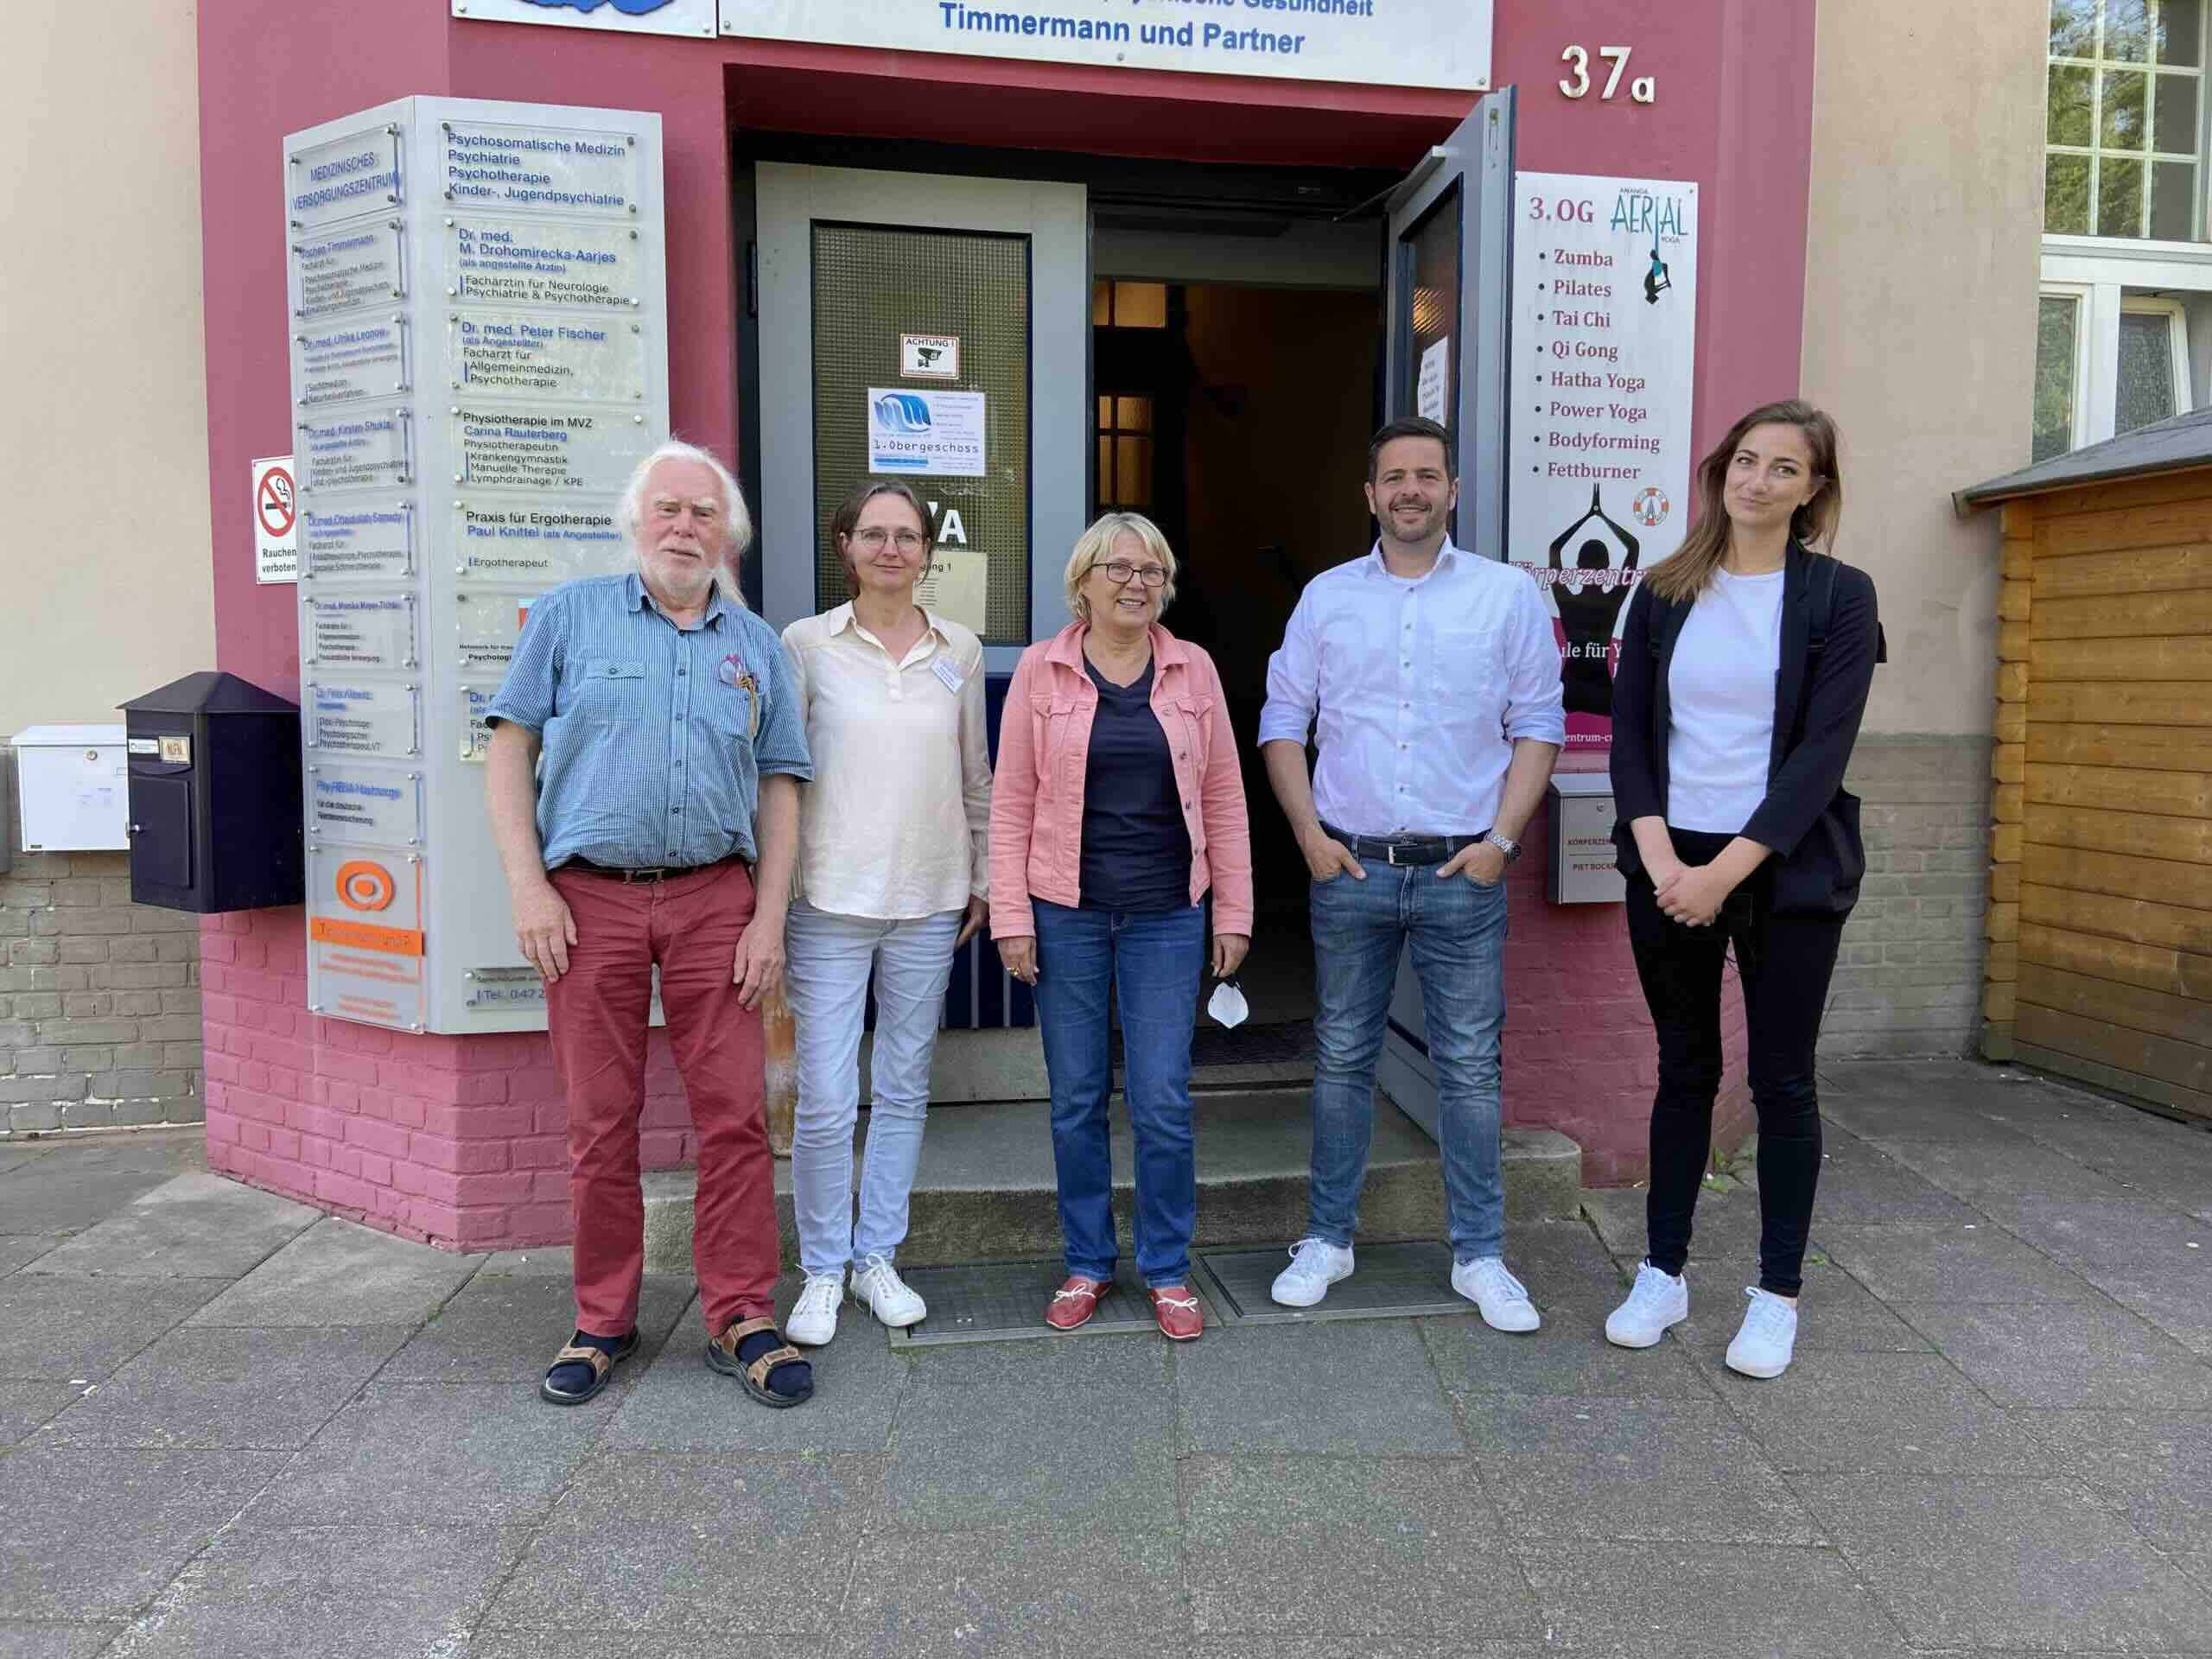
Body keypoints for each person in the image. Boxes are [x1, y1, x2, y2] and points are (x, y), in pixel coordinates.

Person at [486, 438, 816, 1411]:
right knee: (600, 1124)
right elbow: (510, 753)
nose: (684, 526)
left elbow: (780, 787)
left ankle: (741, 1314)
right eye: (668, 508)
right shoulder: (568, 617)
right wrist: (527, 888)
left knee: (735, 1119)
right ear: (636, 520)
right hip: (588, 900)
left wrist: (768, 920)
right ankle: (602, 1318)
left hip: (718, 899)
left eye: (704, 513)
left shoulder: (752, 645)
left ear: (728, 536)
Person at [1258, 415, 1563, 1329]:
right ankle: (1328, 1239)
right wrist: (1309, 837)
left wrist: (1501, 845)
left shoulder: (1506, 596)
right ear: (1370, 494)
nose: (1410, 491)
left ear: (1451, 491)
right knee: (1342, 1057)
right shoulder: (1325, 598)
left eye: (1426, 475)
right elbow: (1283, 719)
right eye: (1394, 477)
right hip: (1348, 865)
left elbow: (1538, 726)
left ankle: (1479, 1255)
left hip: (1460, 873)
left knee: (1469, 1068)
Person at [1603, 399, 1880, 1380]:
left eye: (1783, 469)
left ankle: (1775, 1296)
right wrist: (1662, 858)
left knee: (1782, 1081)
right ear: (1722, 470)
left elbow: (1822, 752)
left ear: (1813, 492)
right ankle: (1662, 1272)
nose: (1756, 481)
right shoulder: (1665, 589)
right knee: (1684, 1072)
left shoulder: (1839, 597)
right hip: (1668, 861)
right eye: (1745, 461)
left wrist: (1725, 870)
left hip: (1783, 868)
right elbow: (1627, 735)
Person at [990, 512, 1252, 1341]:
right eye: (1119, 569)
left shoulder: (1194, 668)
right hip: (1064, 912)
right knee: (1075, 1098)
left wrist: (1234, 911)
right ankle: (1088, 1261)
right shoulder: (1042, 669)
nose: (1136, 583)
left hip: (1167, 915)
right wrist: (1010, 916)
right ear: (1085, 582)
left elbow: (1224, 799)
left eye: (1151, 571)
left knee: (1162, 1098)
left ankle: (1169, 1269)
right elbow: (1010, 805)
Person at [779, 480, 991, 1346]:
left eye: (907, 536)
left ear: (926, 551)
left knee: (903, 1088)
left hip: (929, 899)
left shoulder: (962, 648)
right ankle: (822, 1270)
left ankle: (877, 1261)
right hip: (828, 897)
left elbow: (973, 775)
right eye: (875, 534)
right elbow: (781, 780)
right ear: (846, 545)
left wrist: (981, 878)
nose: (892, 549)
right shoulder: (805, 645)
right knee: (827, 1099)